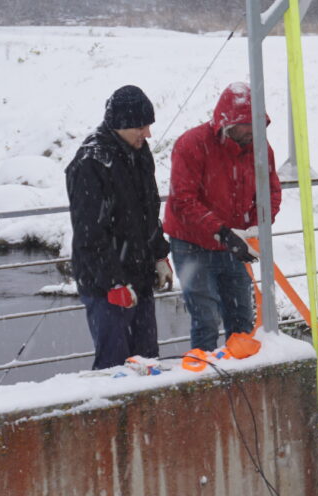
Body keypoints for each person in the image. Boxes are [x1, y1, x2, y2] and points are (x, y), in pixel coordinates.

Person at [163, 82, 281, 352]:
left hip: (236, 246)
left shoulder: (261, 148)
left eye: (256, 124)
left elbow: (270, 191)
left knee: (241, 321)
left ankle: (240, 380)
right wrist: (222, 231)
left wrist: (258, 224)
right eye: (246, 125)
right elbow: (183, 199)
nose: (252, 131)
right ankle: (205, 378)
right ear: (227, 123)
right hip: (193, 245)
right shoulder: (192, 144)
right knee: (205, 320)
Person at [66, 84, 172, 371]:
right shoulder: (91, 162)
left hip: (140, 274)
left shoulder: (139, 152)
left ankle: (149, 415)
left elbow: (149, 211)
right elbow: (90, 233)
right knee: (114, 365)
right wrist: (113, 282)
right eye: (141, 126)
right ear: (121, 124)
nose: (147, 133)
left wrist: (160, 255)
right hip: (105, 285)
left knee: (148, 360)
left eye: (148, 126)